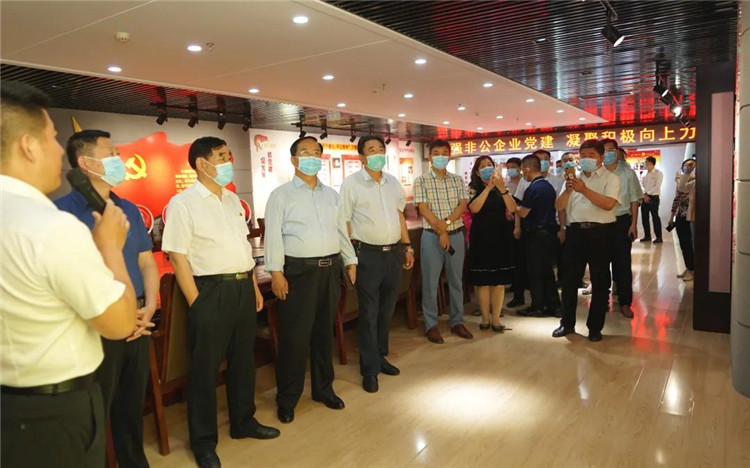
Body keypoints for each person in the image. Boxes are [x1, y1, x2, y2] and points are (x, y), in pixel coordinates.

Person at [1, 82, 136, 468]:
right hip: (52, 412)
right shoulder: (51, 226)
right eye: (52, 137)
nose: (60, 151)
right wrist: (110, 248)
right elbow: (119, 323)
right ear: (28, 146)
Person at [162, 136, 279, 468]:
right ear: (202, 163)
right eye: (222, 156)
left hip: (242, 287)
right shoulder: (183, 203)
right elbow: (178, 257)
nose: (229, 161)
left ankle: (243, 421)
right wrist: (196, 302)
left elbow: (242, 249)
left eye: (229, 155)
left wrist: (254, 288)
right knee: (204, 370)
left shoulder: (231, 200)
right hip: (209, 291)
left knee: (243, 361)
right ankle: (203, 442)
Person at [55, 130, 158, 468]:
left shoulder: (127, 208)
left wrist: (150, 305)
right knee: (96, 413)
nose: (119, 160)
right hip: (95, 325)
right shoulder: (61, 214)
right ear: (85, 163)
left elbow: (146, 262)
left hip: (137, 321)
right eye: (111, 153)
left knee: (130, 408)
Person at [265, 136, 357, 422]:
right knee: (295, 337)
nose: (312, 157)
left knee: (324, 333)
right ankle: (287, 398)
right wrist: (276, 273)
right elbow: (273, 237)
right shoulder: (281, 195)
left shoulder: (331, 195)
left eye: (316, 152)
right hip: (299, 272)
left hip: (330, 269)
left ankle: (323, 389)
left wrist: (350, 260)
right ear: (294, 159)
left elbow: (341, 231)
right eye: (305, 152)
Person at [340, 135, 414, 393]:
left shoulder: (392, 182)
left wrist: (407, 246)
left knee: (386, 310)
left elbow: (399, 215)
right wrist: (350, 258)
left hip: (393, 253)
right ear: (361, 157)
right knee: (369, 313)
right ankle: (369, 369)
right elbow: (344, 221)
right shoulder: (351, 184)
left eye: (380, 149)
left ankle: (380, 356)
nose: (377, 153)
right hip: (367, 255)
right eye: (371, 149)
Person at [553, 139, 620, 342]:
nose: (586, 159)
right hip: (576, 233)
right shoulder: (572, 179)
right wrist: (568, 190)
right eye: (583, 156)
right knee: (569, 281)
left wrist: (584, 190)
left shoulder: (611, 178)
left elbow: (608, 204)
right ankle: (567, 324)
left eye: (591, 155)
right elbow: (558, 206)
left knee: (600, 282)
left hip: (601, 233)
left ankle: (595, 328)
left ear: (601, 158)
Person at [414, 139, 472, 344]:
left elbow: (462, 205)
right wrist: (441, 231)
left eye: (444, 153)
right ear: (429, 157)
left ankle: (457, 321)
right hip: (431, 236)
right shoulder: (421, 180)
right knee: (430, 282)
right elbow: (423, 208)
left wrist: (445, 225)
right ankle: (431, 325)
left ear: (449, 156)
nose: (440, 156)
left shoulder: (457, 180)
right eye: (436, 153)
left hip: (455, 234)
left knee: (456, 281)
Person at [466, 156, 516, 331]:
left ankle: (496, 319)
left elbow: (512, 208)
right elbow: (474, 208)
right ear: (477, 172)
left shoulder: (502, 187)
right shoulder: (473, 188)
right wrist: (488, 188)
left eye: (490, 165)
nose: (487, 168)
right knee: (483, 281)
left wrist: (502, 189)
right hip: (481, 236)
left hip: (500, 235)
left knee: (498, 281)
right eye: (483, 166)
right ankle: (485, 318)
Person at [513, 149, 565, 310]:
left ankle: (538, 305)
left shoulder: (534, 188)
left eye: (523, 170)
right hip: (547, 232)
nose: (523, 174)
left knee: (536, 271)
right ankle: (552, 304)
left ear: (527, 169)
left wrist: (511, 204)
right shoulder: (546, 186)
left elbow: (523, 212)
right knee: (546, 270)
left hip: (538, 234)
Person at [602, 141, 642, 319]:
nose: (608, 153)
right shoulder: (596, 172)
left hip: (621, 221)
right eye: (605, 151)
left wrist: (633, 224)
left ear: (618, 152)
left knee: (623, 264)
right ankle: (602, 299)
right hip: (601, 222)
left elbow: (634, 199)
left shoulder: (627, 173)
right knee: (600, 263)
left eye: (611, 150)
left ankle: (625, 303)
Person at [670, 159, 696, 281]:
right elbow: (677, 196)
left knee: (689, 243)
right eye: (686, 166)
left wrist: (688, 175)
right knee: (683, 244)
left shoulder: (695, 181)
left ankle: (692, 269)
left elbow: (684, 189)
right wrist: (672, 216)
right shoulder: (682, 179)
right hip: (680, 215)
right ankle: (689, 267)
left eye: (691, 165)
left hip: (690, 216)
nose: (688, 167)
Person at [640, 156, 664, 243]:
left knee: (655, 217)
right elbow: (641, 184)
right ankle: (647, 236)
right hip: (644, 197)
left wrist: (648, 193)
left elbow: (657, 186)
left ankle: (659, 237)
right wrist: (644, 194)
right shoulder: (644, 173)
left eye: (646, 162)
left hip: (654, 197)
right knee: (644, 217)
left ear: (651, 163)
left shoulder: (658, 173)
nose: (645, 164)